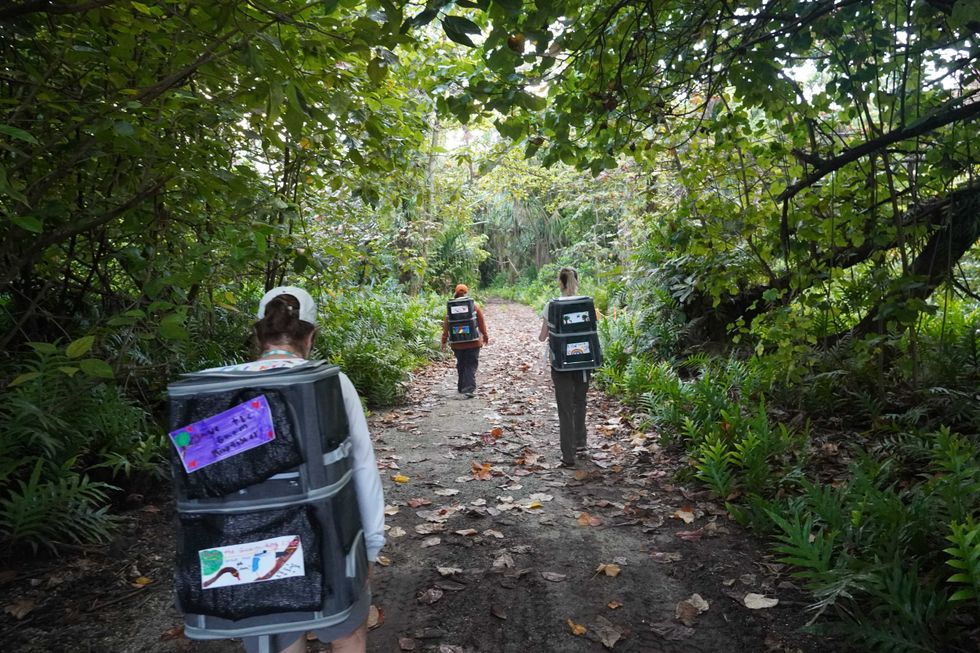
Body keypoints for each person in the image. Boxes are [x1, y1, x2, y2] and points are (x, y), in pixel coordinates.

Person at [208, 286, 385, 653]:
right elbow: (362, 465)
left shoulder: (223, 387)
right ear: (311, 335)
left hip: (253, 544)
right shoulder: (333, 382)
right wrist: (370, 545)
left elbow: (211, 483)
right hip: (329, 535)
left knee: (279, 637)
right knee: (347, 634)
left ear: (258, 334)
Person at [538, 267, 591, 468]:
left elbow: (543, 336)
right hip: (584, 363)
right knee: (580, 402)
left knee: (565, 408)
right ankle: (581, 445)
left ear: (560, 283)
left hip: (561, 363)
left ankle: (568, 456)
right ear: (577, 281)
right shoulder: (586, 303)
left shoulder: (551, 306)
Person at [440, 283, 489, 398]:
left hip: (457, 343)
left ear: (456, 293)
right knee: (471, 364)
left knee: (461, 363)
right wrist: (485, 336)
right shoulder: (474, 306)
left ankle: (461, 386)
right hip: (473, 341)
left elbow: (447, 325)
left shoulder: (451, 307)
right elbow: (481, 323)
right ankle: (469, 388)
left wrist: (443, 341)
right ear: (466, 292)